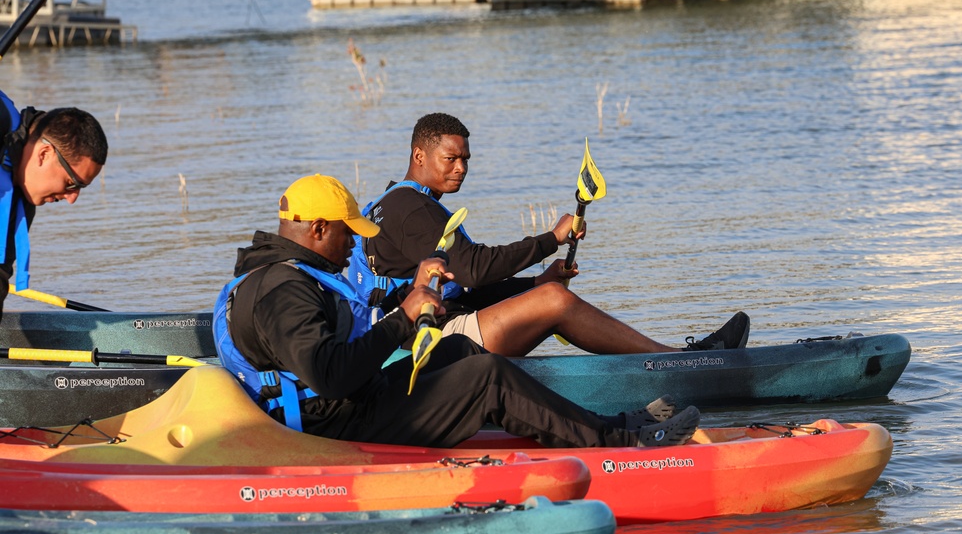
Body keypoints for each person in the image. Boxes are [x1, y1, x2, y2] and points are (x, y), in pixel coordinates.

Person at [212, 173, 701, 450]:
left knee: (462, 350)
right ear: (318, 229)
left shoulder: (285, 274)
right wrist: (404, 317)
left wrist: (414, 289)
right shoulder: (281, 289)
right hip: (331, 426)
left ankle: (600, 423)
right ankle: (620, 443)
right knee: (484, 374)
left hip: (348, 404)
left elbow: (350, 326)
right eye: (349, 232)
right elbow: (329, 375)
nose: (356, 243)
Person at [349, 112, 749, 357]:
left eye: (466, 159)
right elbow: (472, 269)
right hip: (429, 343)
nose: (461, 168)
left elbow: (460, 289)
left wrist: (534, 282)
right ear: (419, 156)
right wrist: (550, 239)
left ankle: (659, 356)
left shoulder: (392, 202)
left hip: (437, 325)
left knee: (547, 293)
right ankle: (678, 362)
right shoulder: (413, 209)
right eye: (450, 158)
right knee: (555, 301)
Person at [0, 89, 107, 318]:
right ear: (44, 154)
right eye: (71, 183)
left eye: (81, 188)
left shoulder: (18, 206)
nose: (72, 198)